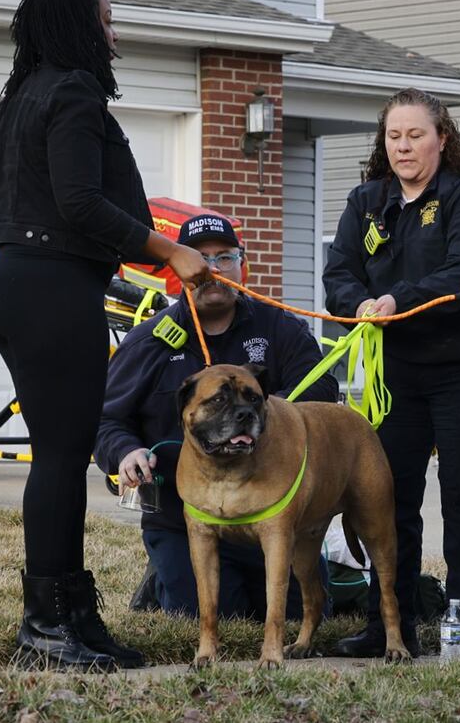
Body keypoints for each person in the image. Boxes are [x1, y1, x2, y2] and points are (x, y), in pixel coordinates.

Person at [0, 0, 209, 671]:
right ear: (80, 25)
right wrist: (171, 249)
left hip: (11, 278)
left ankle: (72, 614)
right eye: (108, 20)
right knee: (59, 454)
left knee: (61, 451)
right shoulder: (73, 91)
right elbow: (79, 202)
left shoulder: (19, 97)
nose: (116, 33)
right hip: (49, 284)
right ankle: (47, 626)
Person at [322, 89, 460, 658]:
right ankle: (391, 622)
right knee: (386, 499)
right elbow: (339, 275)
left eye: (416, 135)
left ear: (442, 139)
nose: (404, 146)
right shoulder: (366, 201)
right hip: (394, 375)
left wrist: (395, 300)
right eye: (394, 136)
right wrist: (359, 302)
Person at [95, 214, 337, 618]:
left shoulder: (279, 328)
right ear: (179, 269)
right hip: (184, 518)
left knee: (302, 615)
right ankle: (165, 575)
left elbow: (322, 390)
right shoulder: (150, 341)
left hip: (270, 513)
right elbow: (105, 419)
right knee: (209, 615)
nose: (212, 269)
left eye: (225, 257)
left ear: (243, 265)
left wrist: (263, 413)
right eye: (200, 258)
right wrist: (125, 452)